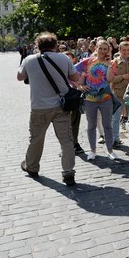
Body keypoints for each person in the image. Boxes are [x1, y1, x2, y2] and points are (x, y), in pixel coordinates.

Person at [18, 32, 79, 186]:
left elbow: (19, 77)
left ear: (38, 46)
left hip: (39, 107)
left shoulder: (29, 59)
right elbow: (75, 78)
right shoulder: (64, 58)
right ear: (55, 45)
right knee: (66, 140)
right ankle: (68, 172)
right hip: (61, 105)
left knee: (36, 139)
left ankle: (31, 167)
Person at [75, 39, 118, 161]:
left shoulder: (111, 63)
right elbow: (72, 71)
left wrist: (109, 63)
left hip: (106, 98)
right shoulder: (87, 61)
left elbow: (110, 79)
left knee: (107, 126)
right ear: (96, 48)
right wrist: (79, 86)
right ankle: (92, 151)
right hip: (89, 99)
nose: (103, 51)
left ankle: (110, 150)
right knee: (91, 126)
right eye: (101, 48)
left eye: (106, 49)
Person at [107, 41, 129, 149]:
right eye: (124, 50)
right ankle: (115, 139)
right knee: (116, 118)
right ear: (119, 50)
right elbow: (111, 79)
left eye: (128, 50)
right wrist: (123, 76)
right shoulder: (114, 63)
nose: (126, 52)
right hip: (118, 94)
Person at [63, 51, 85, 155]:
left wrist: (80, 86)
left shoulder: (77, 70)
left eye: (69, 58)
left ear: (73, 59)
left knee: (74, 123)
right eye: (64, 58)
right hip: (62, 101)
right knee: (64, 124)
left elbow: (80, 84)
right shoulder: (59, 71)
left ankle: (75, 143)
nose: (67, 61)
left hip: (74, 99)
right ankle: (67, 146)